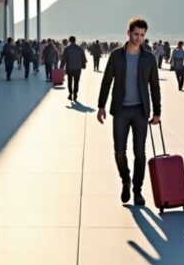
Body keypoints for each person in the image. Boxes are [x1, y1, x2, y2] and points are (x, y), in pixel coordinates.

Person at [96, 17, 162, 206]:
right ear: (128, 33)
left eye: (142, 35)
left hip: (141, 111)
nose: (139, 38)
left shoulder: (149, 58)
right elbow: (107, 81)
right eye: (136, 34)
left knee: (140, 153)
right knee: (119, 151)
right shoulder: (116, 56)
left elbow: (155, 87)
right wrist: (101, 106)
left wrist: (157, 112)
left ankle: (137, 190)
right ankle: (126, 180)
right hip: (120, 110)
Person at [61, 36, 87, 100]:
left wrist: (61, 66)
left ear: (69, 41)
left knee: (69, 81)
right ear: (75, 40)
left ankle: (70, 94)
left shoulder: (66, 49)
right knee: (76, 81)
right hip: (78, 68)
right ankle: (75, 94)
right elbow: (84, 59)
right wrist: (83, 63)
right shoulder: (80, 48)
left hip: (69, 68)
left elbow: (64, 59)